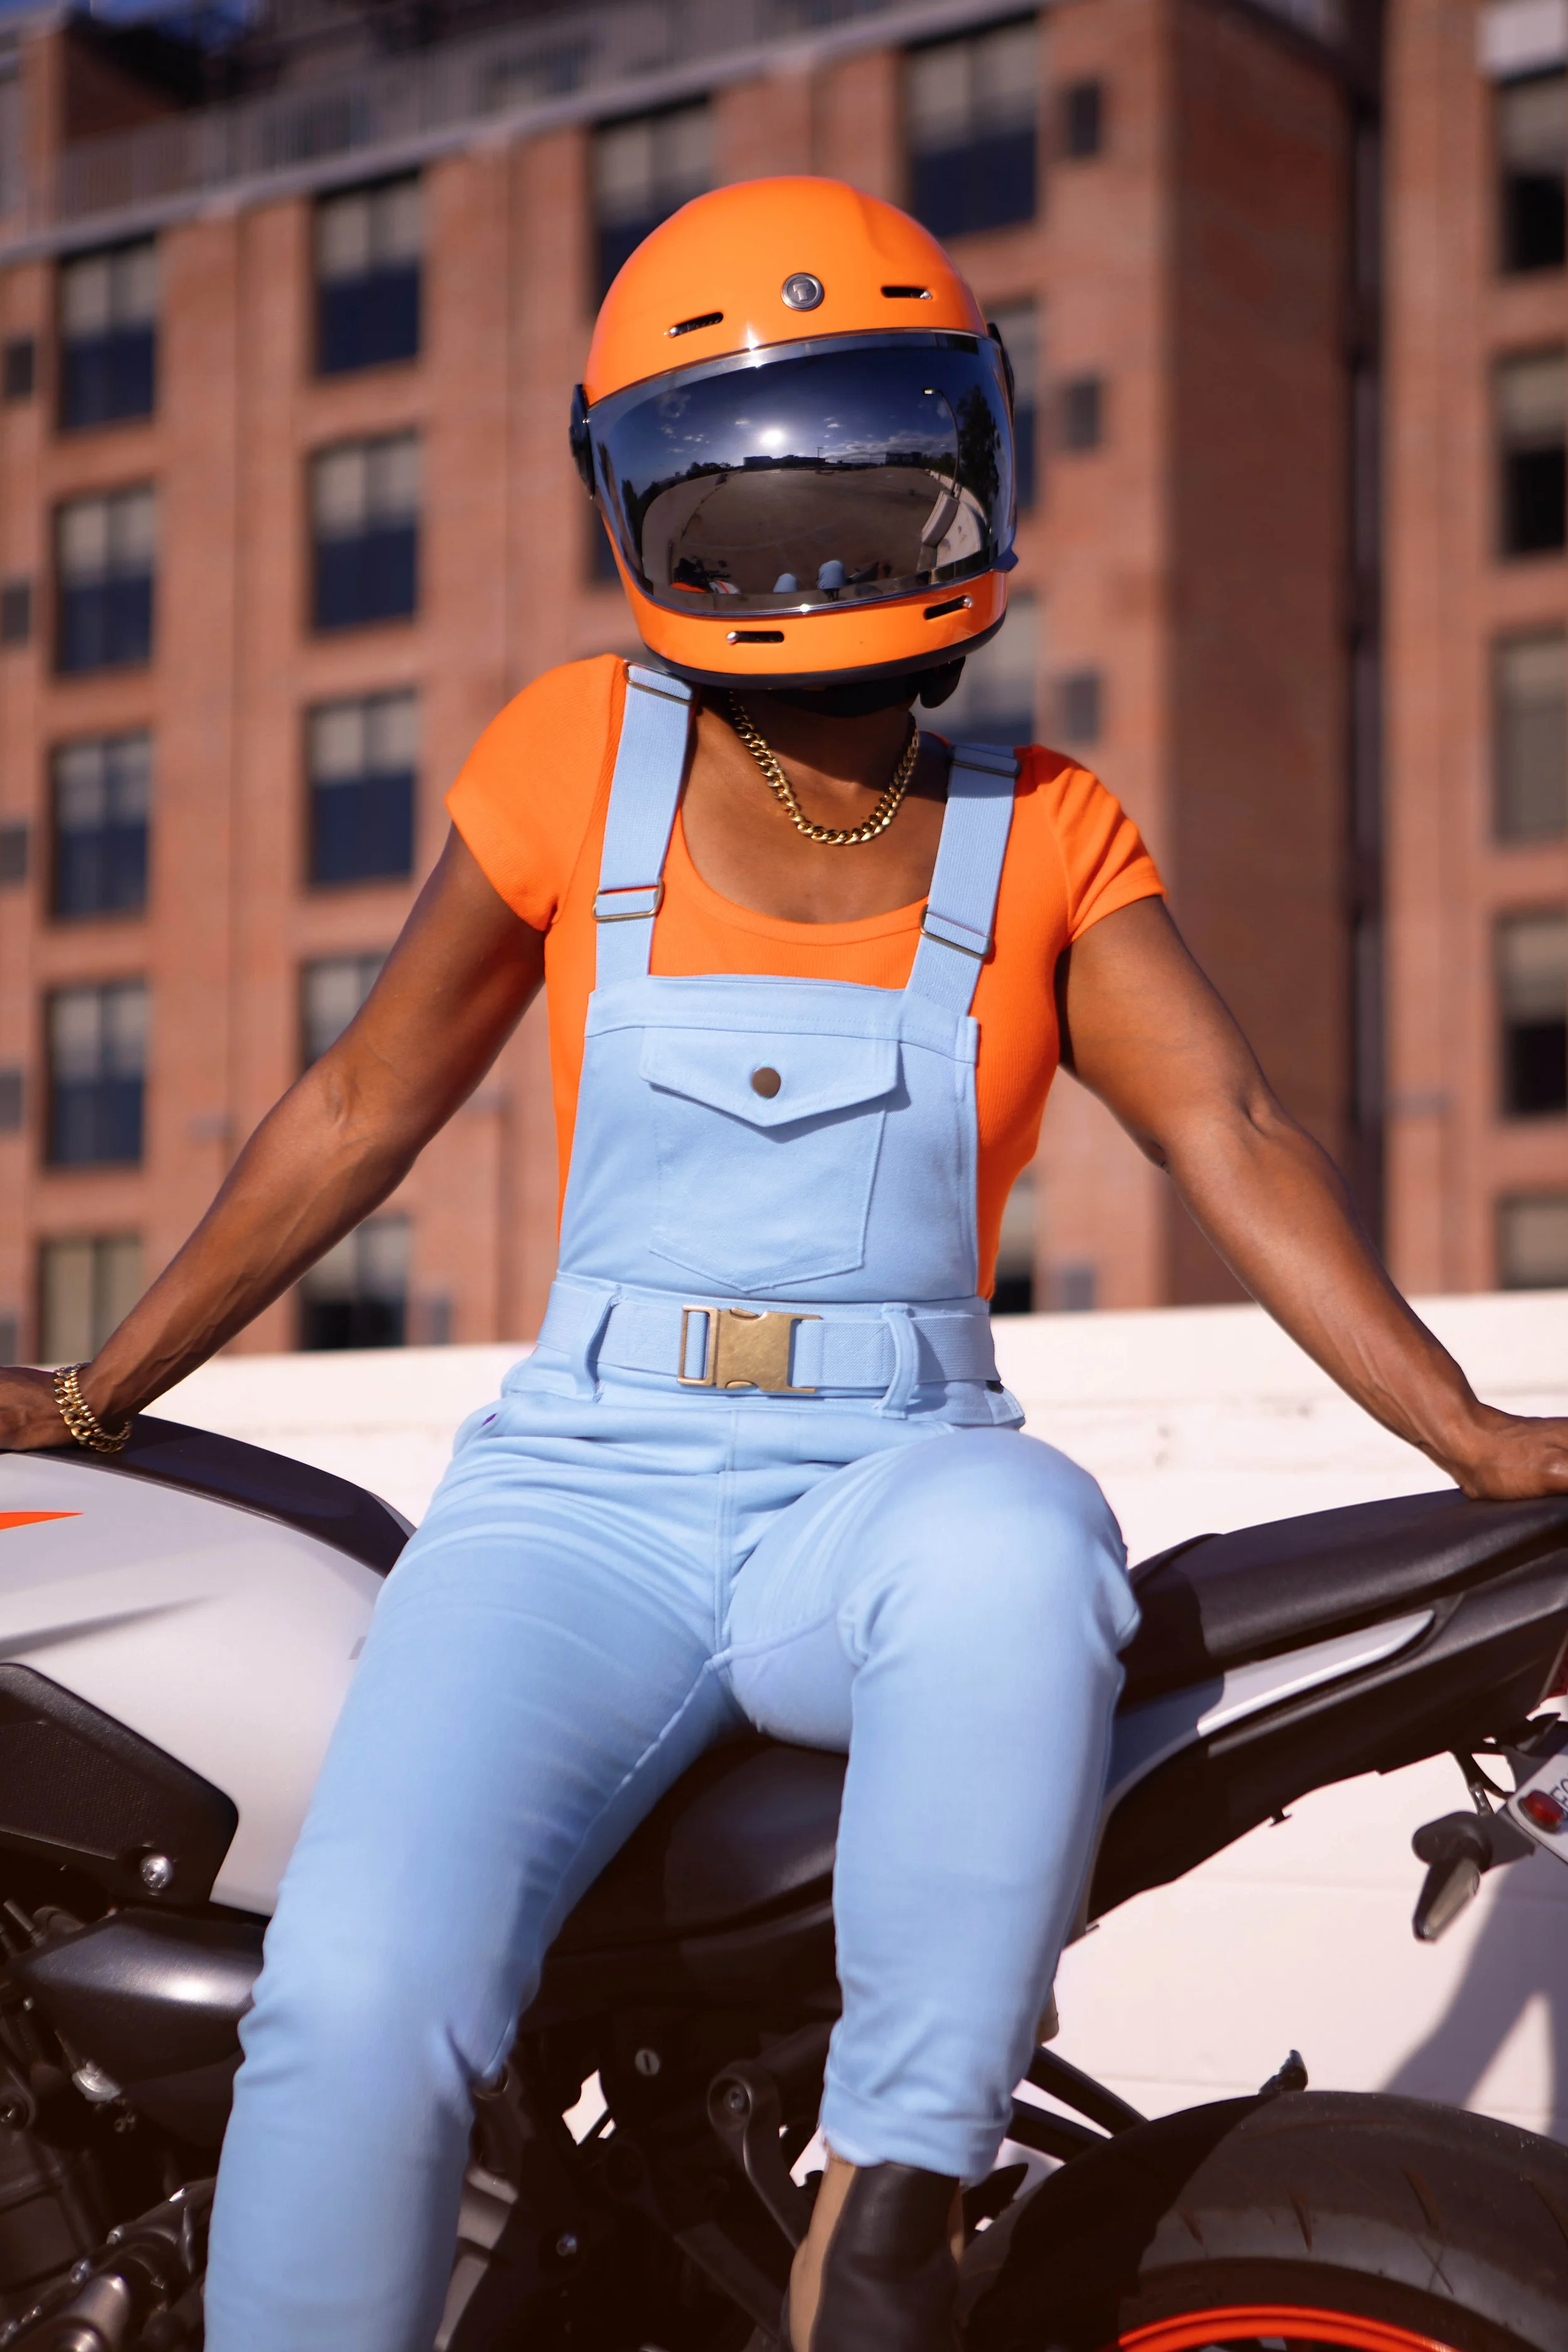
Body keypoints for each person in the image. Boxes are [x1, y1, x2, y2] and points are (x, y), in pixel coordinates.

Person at [2, 175, 1567, 2352]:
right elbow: (365, 1095)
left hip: (889, 1472)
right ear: (649, 507)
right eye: (752, 496)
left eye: (870, 471)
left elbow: (1231, 1125)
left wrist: (1464, 1427)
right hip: (582, 1492)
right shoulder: (570, 753)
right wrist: (94, 1393)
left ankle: (888, 2202)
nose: (820, 547)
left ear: (962, 464)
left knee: (1025, 1550)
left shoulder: (1053, 823)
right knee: (354, 2001)